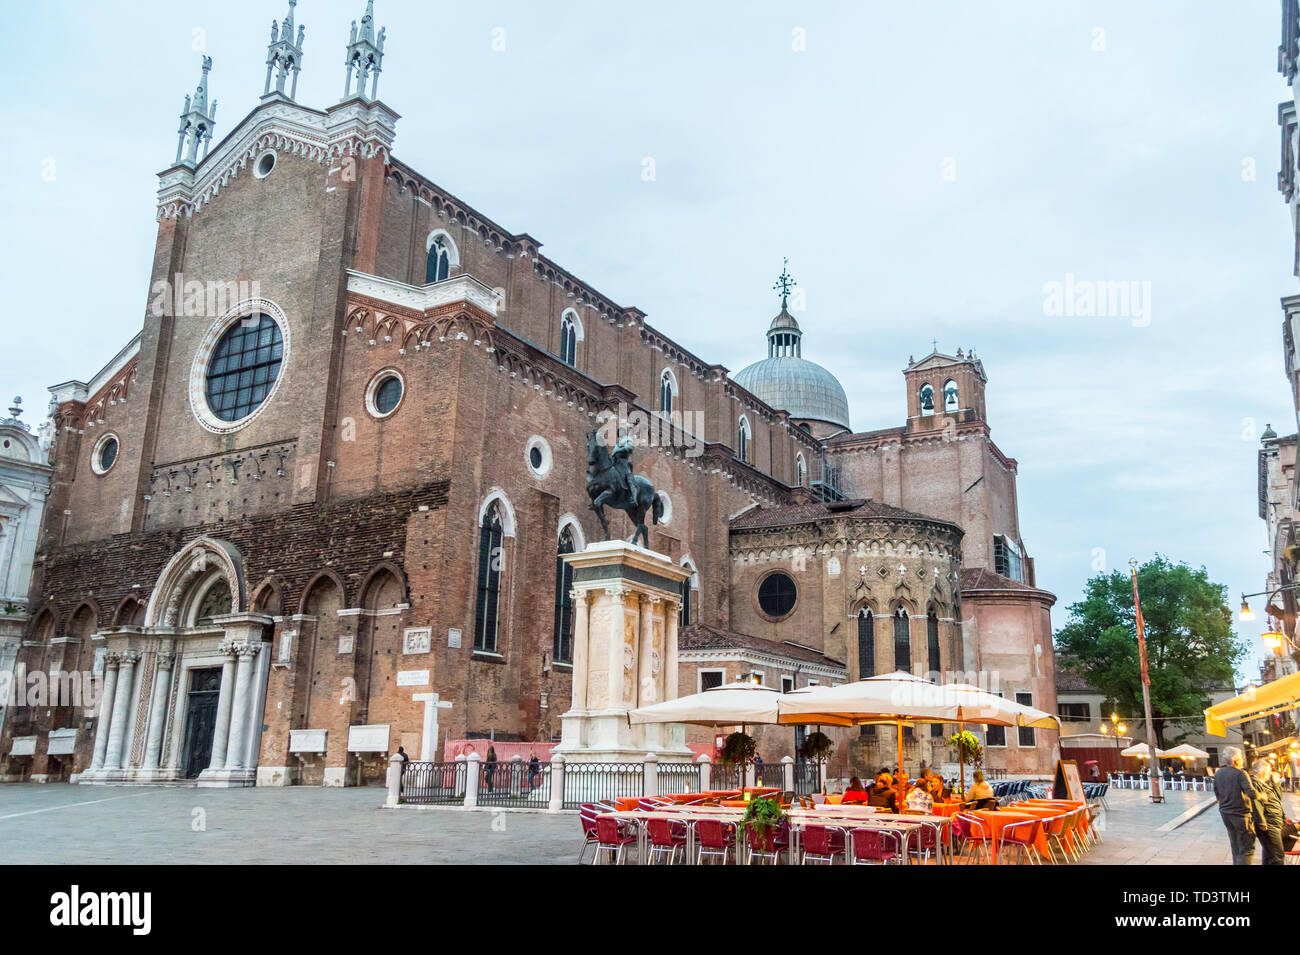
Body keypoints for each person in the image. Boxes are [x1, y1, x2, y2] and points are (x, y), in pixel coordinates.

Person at [1214, 747, 1265, 865]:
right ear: (1236, 760)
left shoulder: (1219, 773)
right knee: (1247, 848)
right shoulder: (1241, 773)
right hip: (1241, 815)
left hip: (1225, 813)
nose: (1242, 759)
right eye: (1241, 757)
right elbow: (1251, 793)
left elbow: (1217, 793)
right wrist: (1262, 796)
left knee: (1235, 846)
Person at [1251, 758, 1286, 865]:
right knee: (1277, 857)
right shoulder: (1255, 784)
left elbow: (1278, 800)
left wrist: (1276, 784)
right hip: (1268, 824)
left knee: (1269, 855)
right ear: (1263, 771)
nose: (1270, 774)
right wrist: (1261, 822)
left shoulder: (1266, 784)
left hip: (1274, 823)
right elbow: (1256, 804)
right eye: (1269, 771)